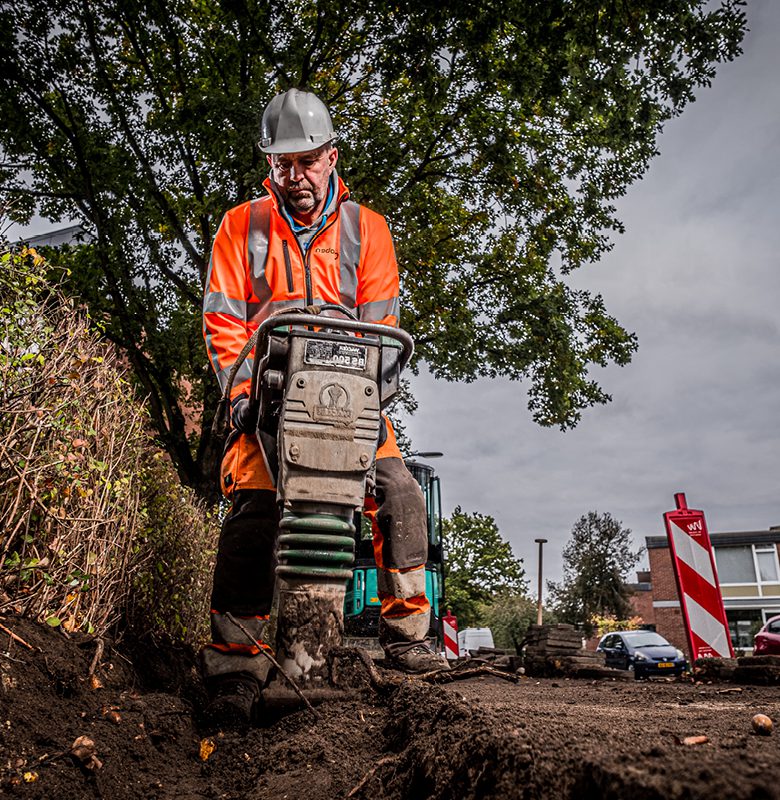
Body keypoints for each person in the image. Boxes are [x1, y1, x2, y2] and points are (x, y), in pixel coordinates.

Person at [201, 88, 449, 729]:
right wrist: (238, 393)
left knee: (399, 494)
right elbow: (225, 323)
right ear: (271, 165)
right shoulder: (241, 226)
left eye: (308, 161)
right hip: (266, 408)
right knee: (255, 512)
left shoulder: (368, 230)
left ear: (331, 156)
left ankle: (410, 638)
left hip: (349, 400)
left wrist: (373, 396)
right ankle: (236, 662)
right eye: (284, 164)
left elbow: (383, 326)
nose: (297, 176)